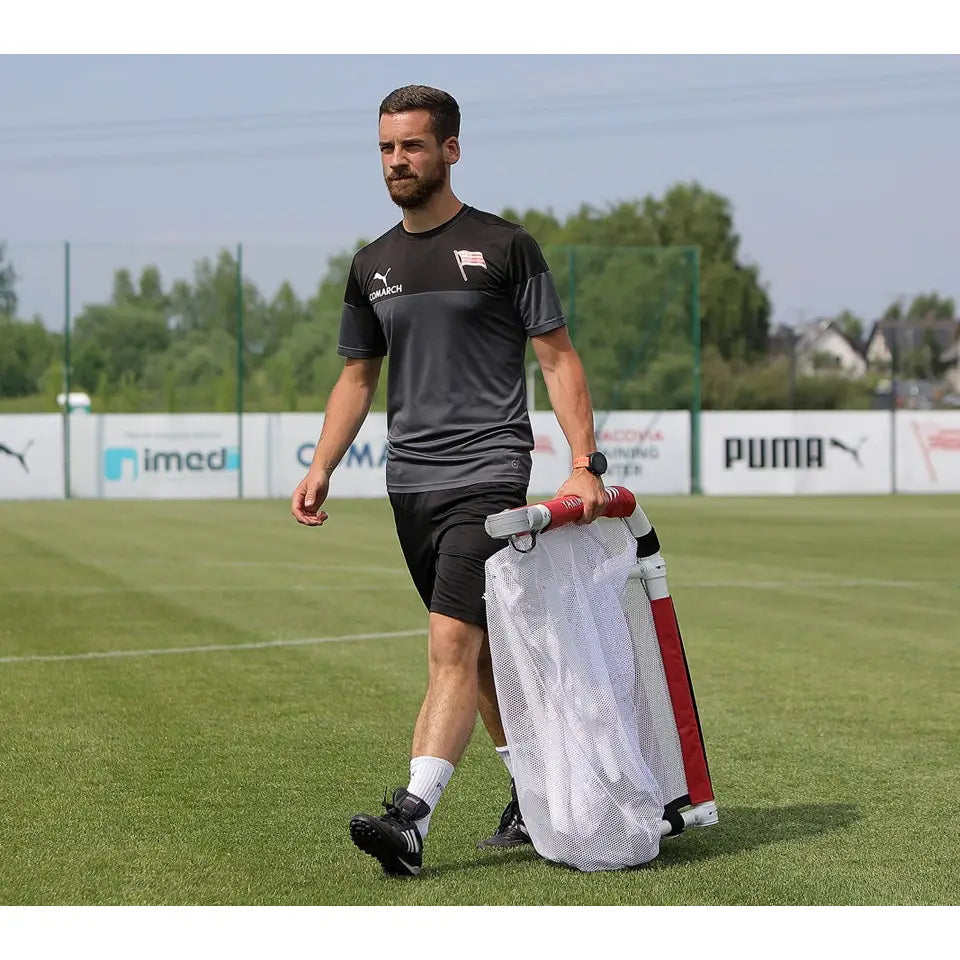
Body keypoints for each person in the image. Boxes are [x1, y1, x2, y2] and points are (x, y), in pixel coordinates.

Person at [291, 84, 608, 877]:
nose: (397, 161)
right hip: (411, 484)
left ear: (450, 150)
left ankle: (412, 816)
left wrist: (582, 461)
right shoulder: (371, 265)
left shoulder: (504, 247)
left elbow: (557, 356)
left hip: (488, 473)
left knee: (449, 644)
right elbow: (357, 378)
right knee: (483, 655)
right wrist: (322, 463)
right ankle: (536, 795)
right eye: (387, 148)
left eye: (413, 146)